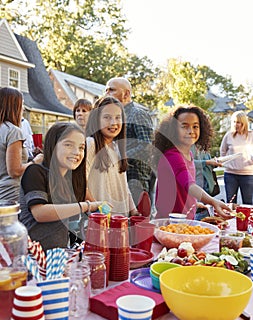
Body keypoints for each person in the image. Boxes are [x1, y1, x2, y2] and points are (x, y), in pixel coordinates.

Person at [19, 122, 104, 251]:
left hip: (61, 256)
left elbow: (91, 211)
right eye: (69, 145)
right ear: (53, 146)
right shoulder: (35, 171)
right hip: (32, 258)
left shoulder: (72, 180)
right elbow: (40, 213)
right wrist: (86, 206)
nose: (77, 152)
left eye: (81, 148)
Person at [153, 105, 231, 220]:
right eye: (184, 126)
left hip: (185, 222)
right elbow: (189, 185)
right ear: (173, 129)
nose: (191, 131)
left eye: (195, 126)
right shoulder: (173, 156)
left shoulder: (188, 154)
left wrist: (194, 203)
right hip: (170, 224)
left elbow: (183, 190)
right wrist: (213, 201)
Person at [85, 96, 139, 216]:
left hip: (120, 221)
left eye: (117, 117)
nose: (113, 123)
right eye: (107, 117)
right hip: (101, 222)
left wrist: (134, 211)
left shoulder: (117, 147)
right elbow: (81, 185)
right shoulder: (90, 144)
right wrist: (100, 212)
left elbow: (124, 188)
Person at [105, 77, 154, 208]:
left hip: (135, 180)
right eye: (106, 90)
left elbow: (146, 146)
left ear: (126, 94)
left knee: (136, 224)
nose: (106, 94)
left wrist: (120, 157)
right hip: (120, 179)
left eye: (112, 90)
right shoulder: (115, 117)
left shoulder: (137, 114)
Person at [0, 87, 43, 202]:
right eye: (21, 104)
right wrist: (36, 161)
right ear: (13, 106)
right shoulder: (13, 131)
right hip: (10, 195)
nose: (23, 108)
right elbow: (15, 171)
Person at [220, 111, 253, 204]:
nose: (235, 124)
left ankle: (247, 219)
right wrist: (226, 163)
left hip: (248, 175)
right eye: (234, 122)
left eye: (238, 122)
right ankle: (230, 219)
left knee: (248, 203)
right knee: (230, 203)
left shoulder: (251, 135)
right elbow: (223, 151)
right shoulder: (228, 135)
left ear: (244, 123)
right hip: (230, 174)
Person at [191, 145, 222, 220]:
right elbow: (190, 162)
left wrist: (214, 163)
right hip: (196, 182)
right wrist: (207, 162)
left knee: (205, 211)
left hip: (207, 183)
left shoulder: (204, 147)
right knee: (197, 210)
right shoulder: (190, 146)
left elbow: (208, 165)